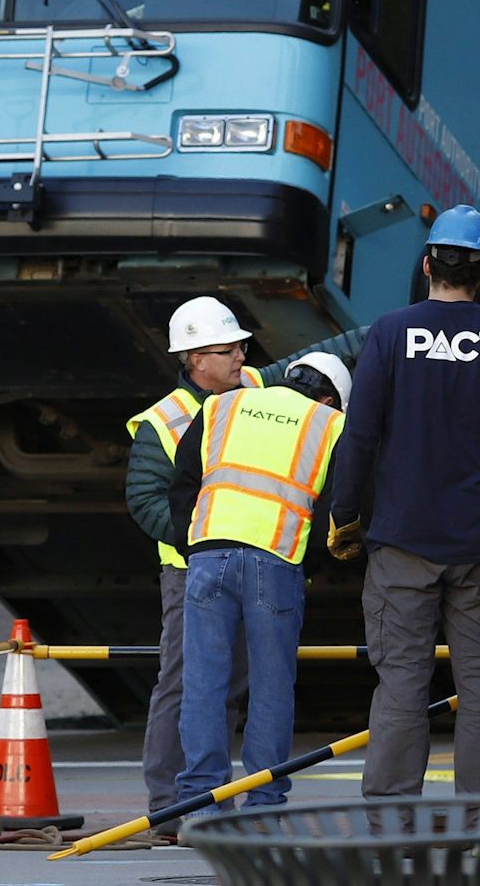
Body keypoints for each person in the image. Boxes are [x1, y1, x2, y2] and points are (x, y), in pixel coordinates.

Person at [327, 205, 480, 799]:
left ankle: (392, 825)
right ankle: (479, 824)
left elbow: (360, 435)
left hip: (402, 542)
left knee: (402, 683)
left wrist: (345, 515)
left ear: (428, 263)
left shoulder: (389, 333)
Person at [123, 297, 367, 820]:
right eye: (227, 350)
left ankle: (195, 804)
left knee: (208, 685)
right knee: (243, 682)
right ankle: (234, 802)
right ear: (194, 360)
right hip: (225, 564)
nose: (240, 357)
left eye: (240, 348)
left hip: (208, 565)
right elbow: (147, 499)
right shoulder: (168, 419)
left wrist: (393, 330)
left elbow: (328, 351)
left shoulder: (236, 396)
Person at [167, 352, 352, 813]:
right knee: (271, 685)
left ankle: (200, 805)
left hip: (209, 554)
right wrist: (305, 563)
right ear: (330, 398)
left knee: (204, 682)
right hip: (277, 560)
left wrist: (194, 547)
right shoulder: (330, 425)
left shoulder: (220, 406)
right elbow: (338, 512)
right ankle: (263, 804)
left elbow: (183, 484)